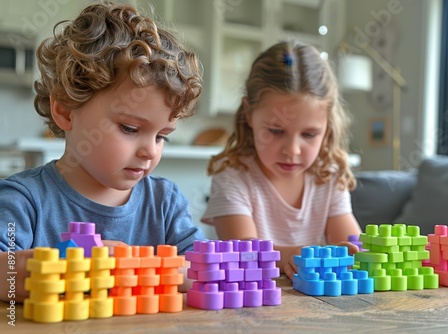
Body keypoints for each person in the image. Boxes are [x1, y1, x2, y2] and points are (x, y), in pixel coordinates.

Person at [0, 2, 205, 303]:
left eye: (162, 137)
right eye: (130, 129)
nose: (150, 151)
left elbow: (201, 269)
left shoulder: (165, 204)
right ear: (66, 111)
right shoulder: (24, 200)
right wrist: (72, 264)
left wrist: (139, 268)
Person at [201, 40, 362, 280]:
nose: (293, 151)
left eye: (309, 134)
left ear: (328, 125)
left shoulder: (329, 174)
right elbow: (242, 254)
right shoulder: (233, 176)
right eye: (276, 131)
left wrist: (363, 253)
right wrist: (288, 256)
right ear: (248, 114)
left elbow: (350, 246)